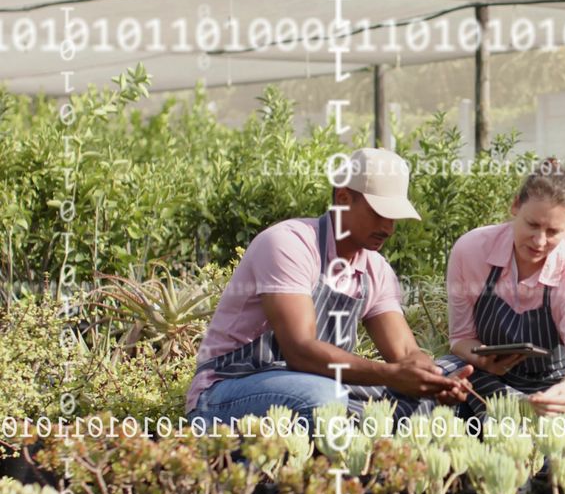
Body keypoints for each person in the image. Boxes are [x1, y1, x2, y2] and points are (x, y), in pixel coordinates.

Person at [185, 148, 473, 427]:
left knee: (425, 402)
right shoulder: (290, 244)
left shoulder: (376, 269)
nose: (389, 227)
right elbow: (300, 350)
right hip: (228, 390)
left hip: (318, 385)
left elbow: (407, 353)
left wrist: (433, 380)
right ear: (344, 198)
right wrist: (392, 374)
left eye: (394, 216)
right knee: (324, 400)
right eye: (379, 213)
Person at [442, 159, 565, 418]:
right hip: (494, 380)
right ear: (515, 206)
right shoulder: (471, 251)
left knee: (557, 445)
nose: (540, 241)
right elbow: (461, 338)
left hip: (561, 384)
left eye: (553, 231)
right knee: (437, 377)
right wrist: (482, 359)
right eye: (532, 225)